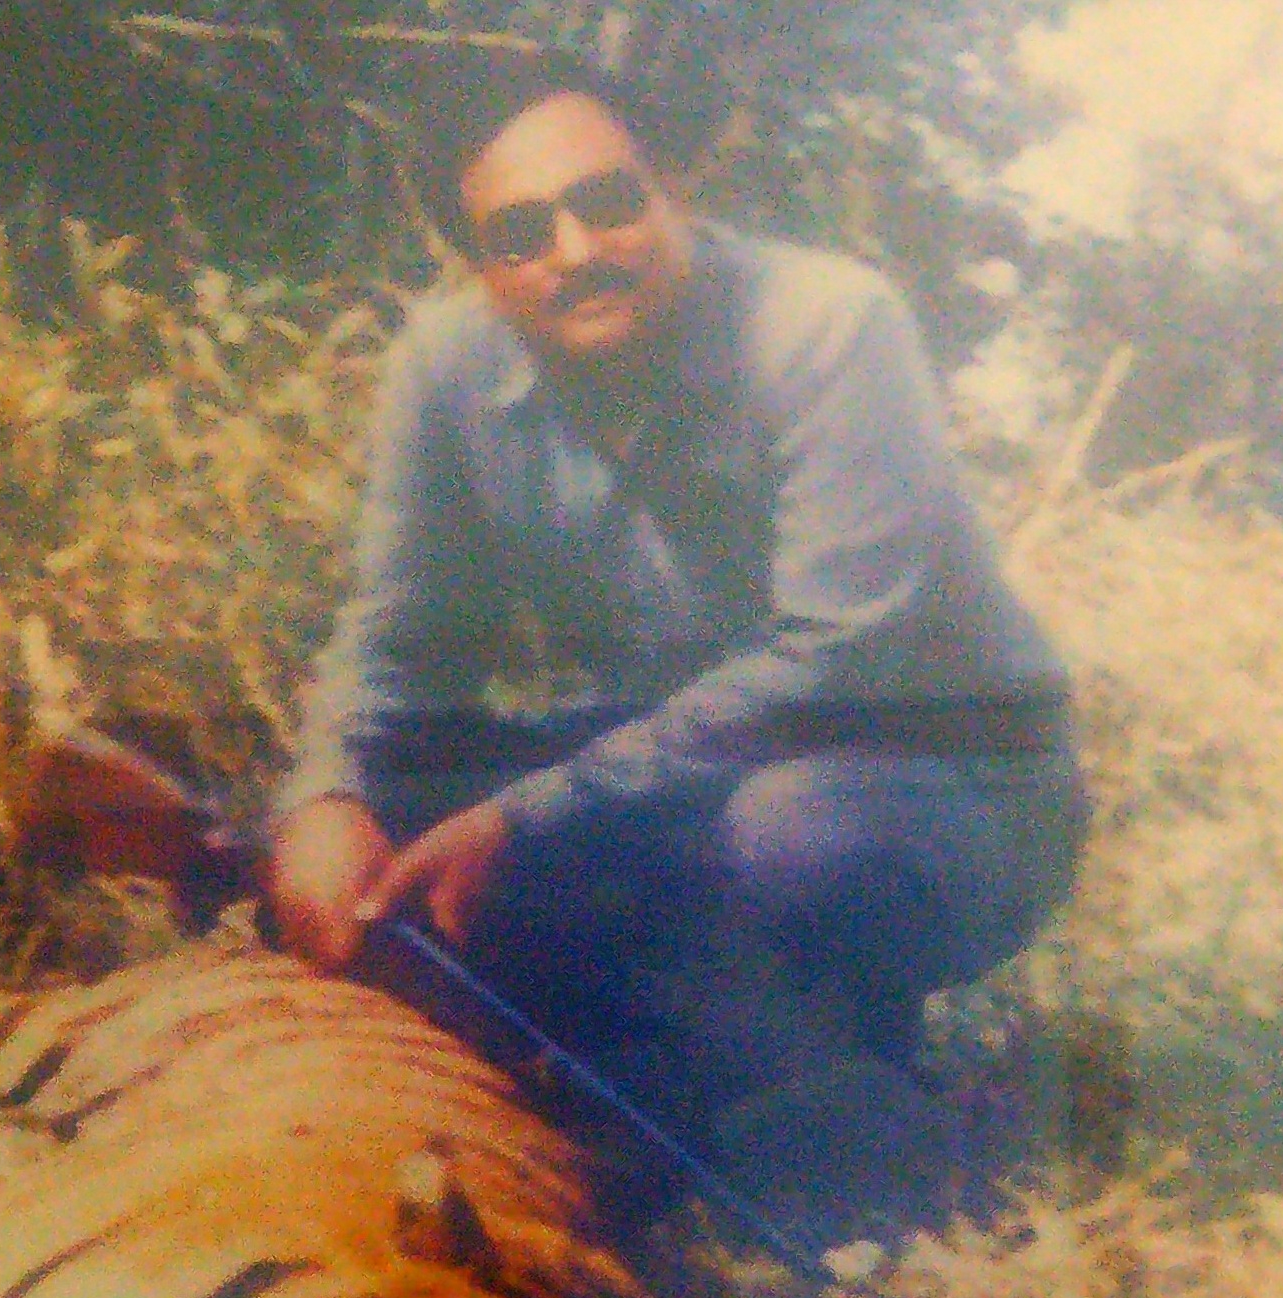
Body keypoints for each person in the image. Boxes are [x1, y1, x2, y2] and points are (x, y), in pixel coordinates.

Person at [266, 51, 1086, 1234]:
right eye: (521, 234)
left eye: (607, 202)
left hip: (944, 782)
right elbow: (398, 644)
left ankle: (846, 1104)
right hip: (678, 774)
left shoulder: (828, 324)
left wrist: (522, 817)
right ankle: (702, 1063)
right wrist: (328, 800)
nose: (576, 251)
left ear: (673, 189)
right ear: (477, 266)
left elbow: (830, 664)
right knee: (381, 835)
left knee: (793, 835)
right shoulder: (444, 370)